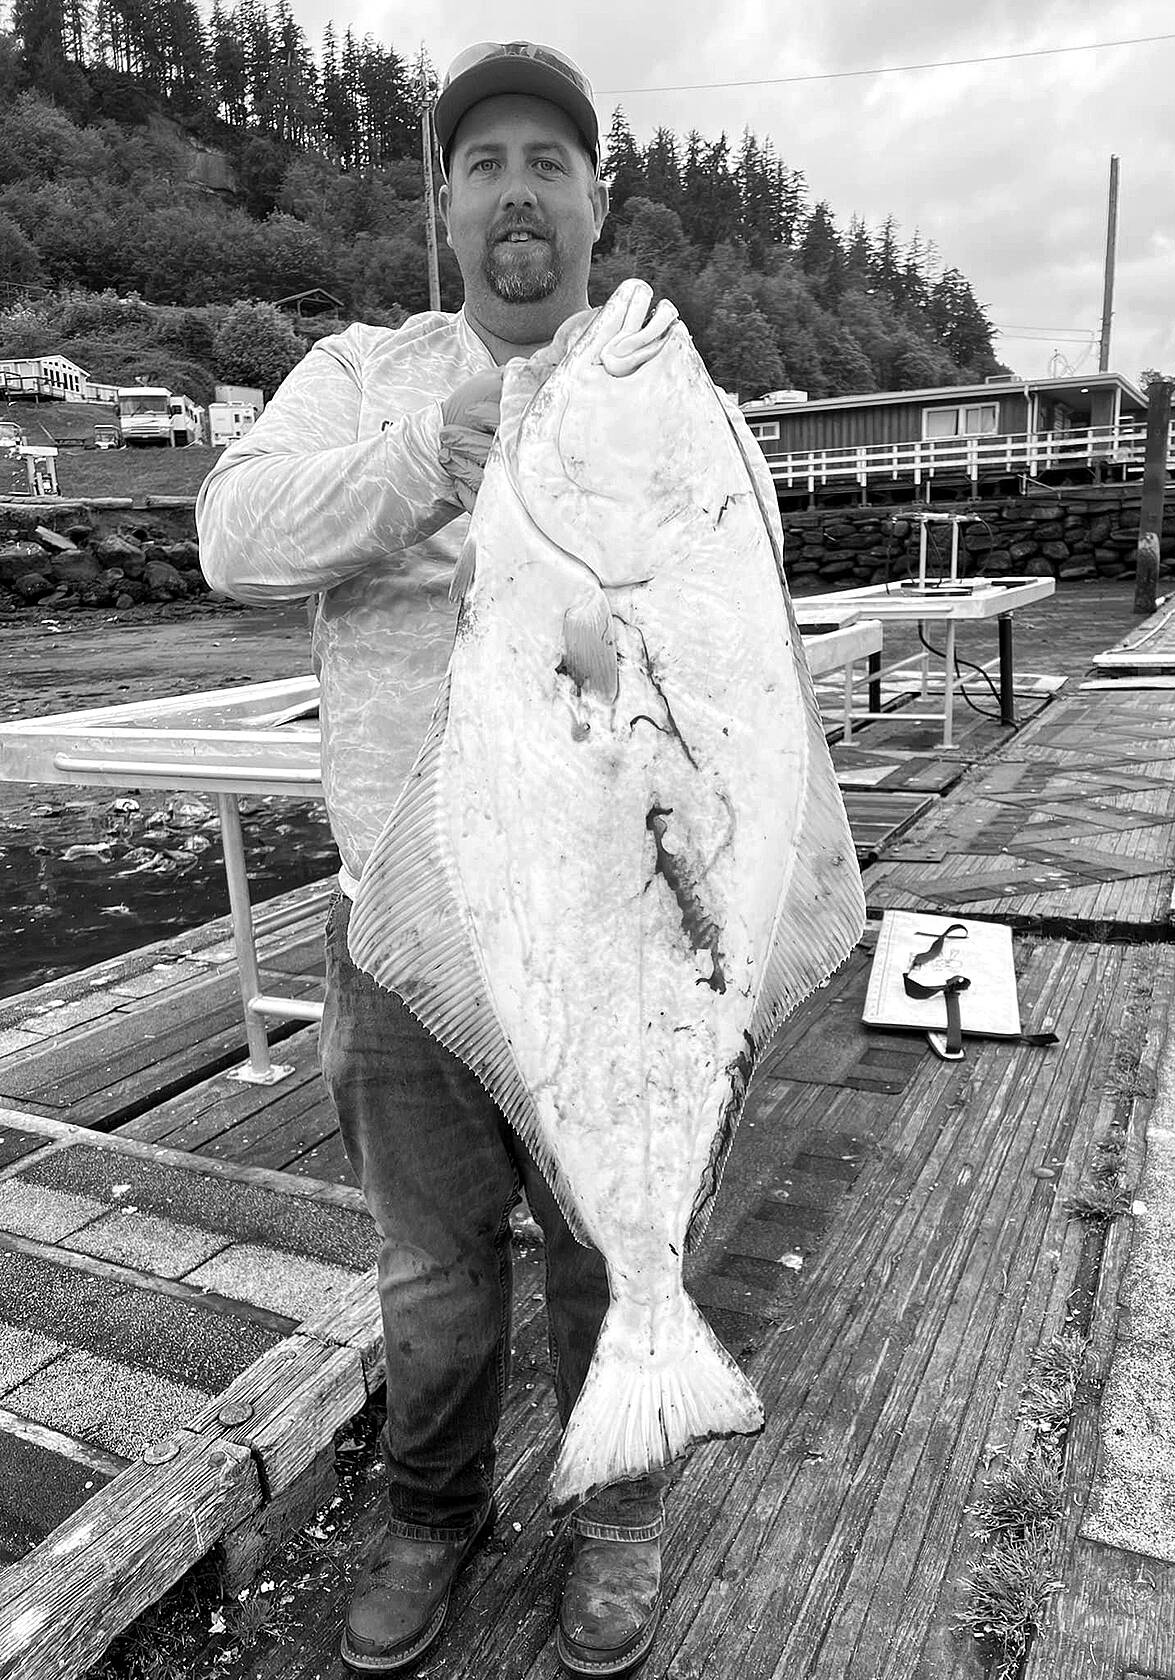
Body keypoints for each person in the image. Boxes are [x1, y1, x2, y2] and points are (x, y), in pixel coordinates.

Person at [197, 40, 669, 1680]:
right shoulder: (363, 371)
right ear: (446, 206)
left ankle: (612, 1514)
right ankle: (431, 1505)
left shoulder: (661, 380)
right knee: (435, 1272)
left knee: (613, 1248)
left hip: (606, 928)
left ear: (594, 201)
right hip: (401, 934)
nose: (518, 188)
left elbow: (732, 671)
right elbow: (233, 537)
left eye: (550, 157)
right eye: (485, 163)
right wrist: (425, 462)